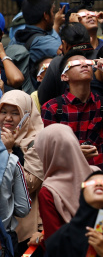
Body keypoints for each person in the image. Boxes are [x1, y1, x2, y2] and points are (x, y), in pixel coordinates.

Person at [41, 53, 103, 175]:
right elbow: (46, 151)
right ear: (64, 76)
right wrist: (75, 152)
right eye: (76, 63)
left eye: (88, 63)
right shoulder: (52, 108)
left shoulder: (102, 103)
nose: (84, 64)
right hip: (69, 177)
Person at [34, 124, 100, 244]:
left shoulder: (49, 191)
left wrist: (39, 239)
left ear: (47, 153)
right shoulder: (97, 175)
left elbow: (54, 242)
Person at [0, 90, 44, 252]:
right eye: (3, 112)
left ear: (27, 115)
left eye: (15, 113)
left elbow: (30, 184)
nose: (8, 118)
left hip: (25, 223)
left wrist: (9, 153)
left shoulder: (37, 142)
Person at [9, 0, 61, 65]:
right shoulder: (47, 43)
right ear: (45, 15)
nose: (53, 15)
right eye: (52, 11)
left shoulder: (15, 39)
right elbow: (69, 60)